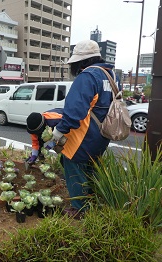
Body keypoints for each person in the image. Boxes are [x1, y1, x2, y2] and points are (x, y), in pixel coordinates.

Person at [51, 40, 117, 219]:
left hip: (83, 136)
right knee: (89, 168)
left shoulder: (87, 76)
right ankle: (91, 201)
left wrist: (59, 130)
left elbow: (75, 111)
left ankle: (79, 209)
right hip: (101, 134)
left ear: (81, 61)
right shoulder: (109, 75)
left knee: (74, 167)